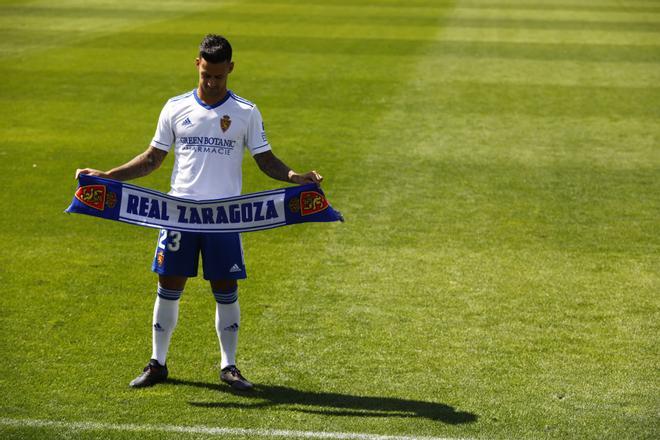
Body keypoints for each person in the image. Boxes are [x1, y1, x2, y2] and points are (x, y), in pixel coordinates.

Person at [75, 34, 323, 390]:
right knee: (168, 285)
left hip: (224, 218)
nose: (211, 82)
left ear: (231, 70)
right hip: (178, 215)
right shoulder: (175, 107)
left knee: (226, 288)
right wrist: (108, 176)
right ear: (197, 64)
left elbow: (265, 158)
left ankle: (229, 366)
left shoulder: (245, 112)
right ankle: (157, 363)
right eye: (206, 74)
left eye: (218, 77)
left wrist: (294, 177)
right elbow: (152, 159)